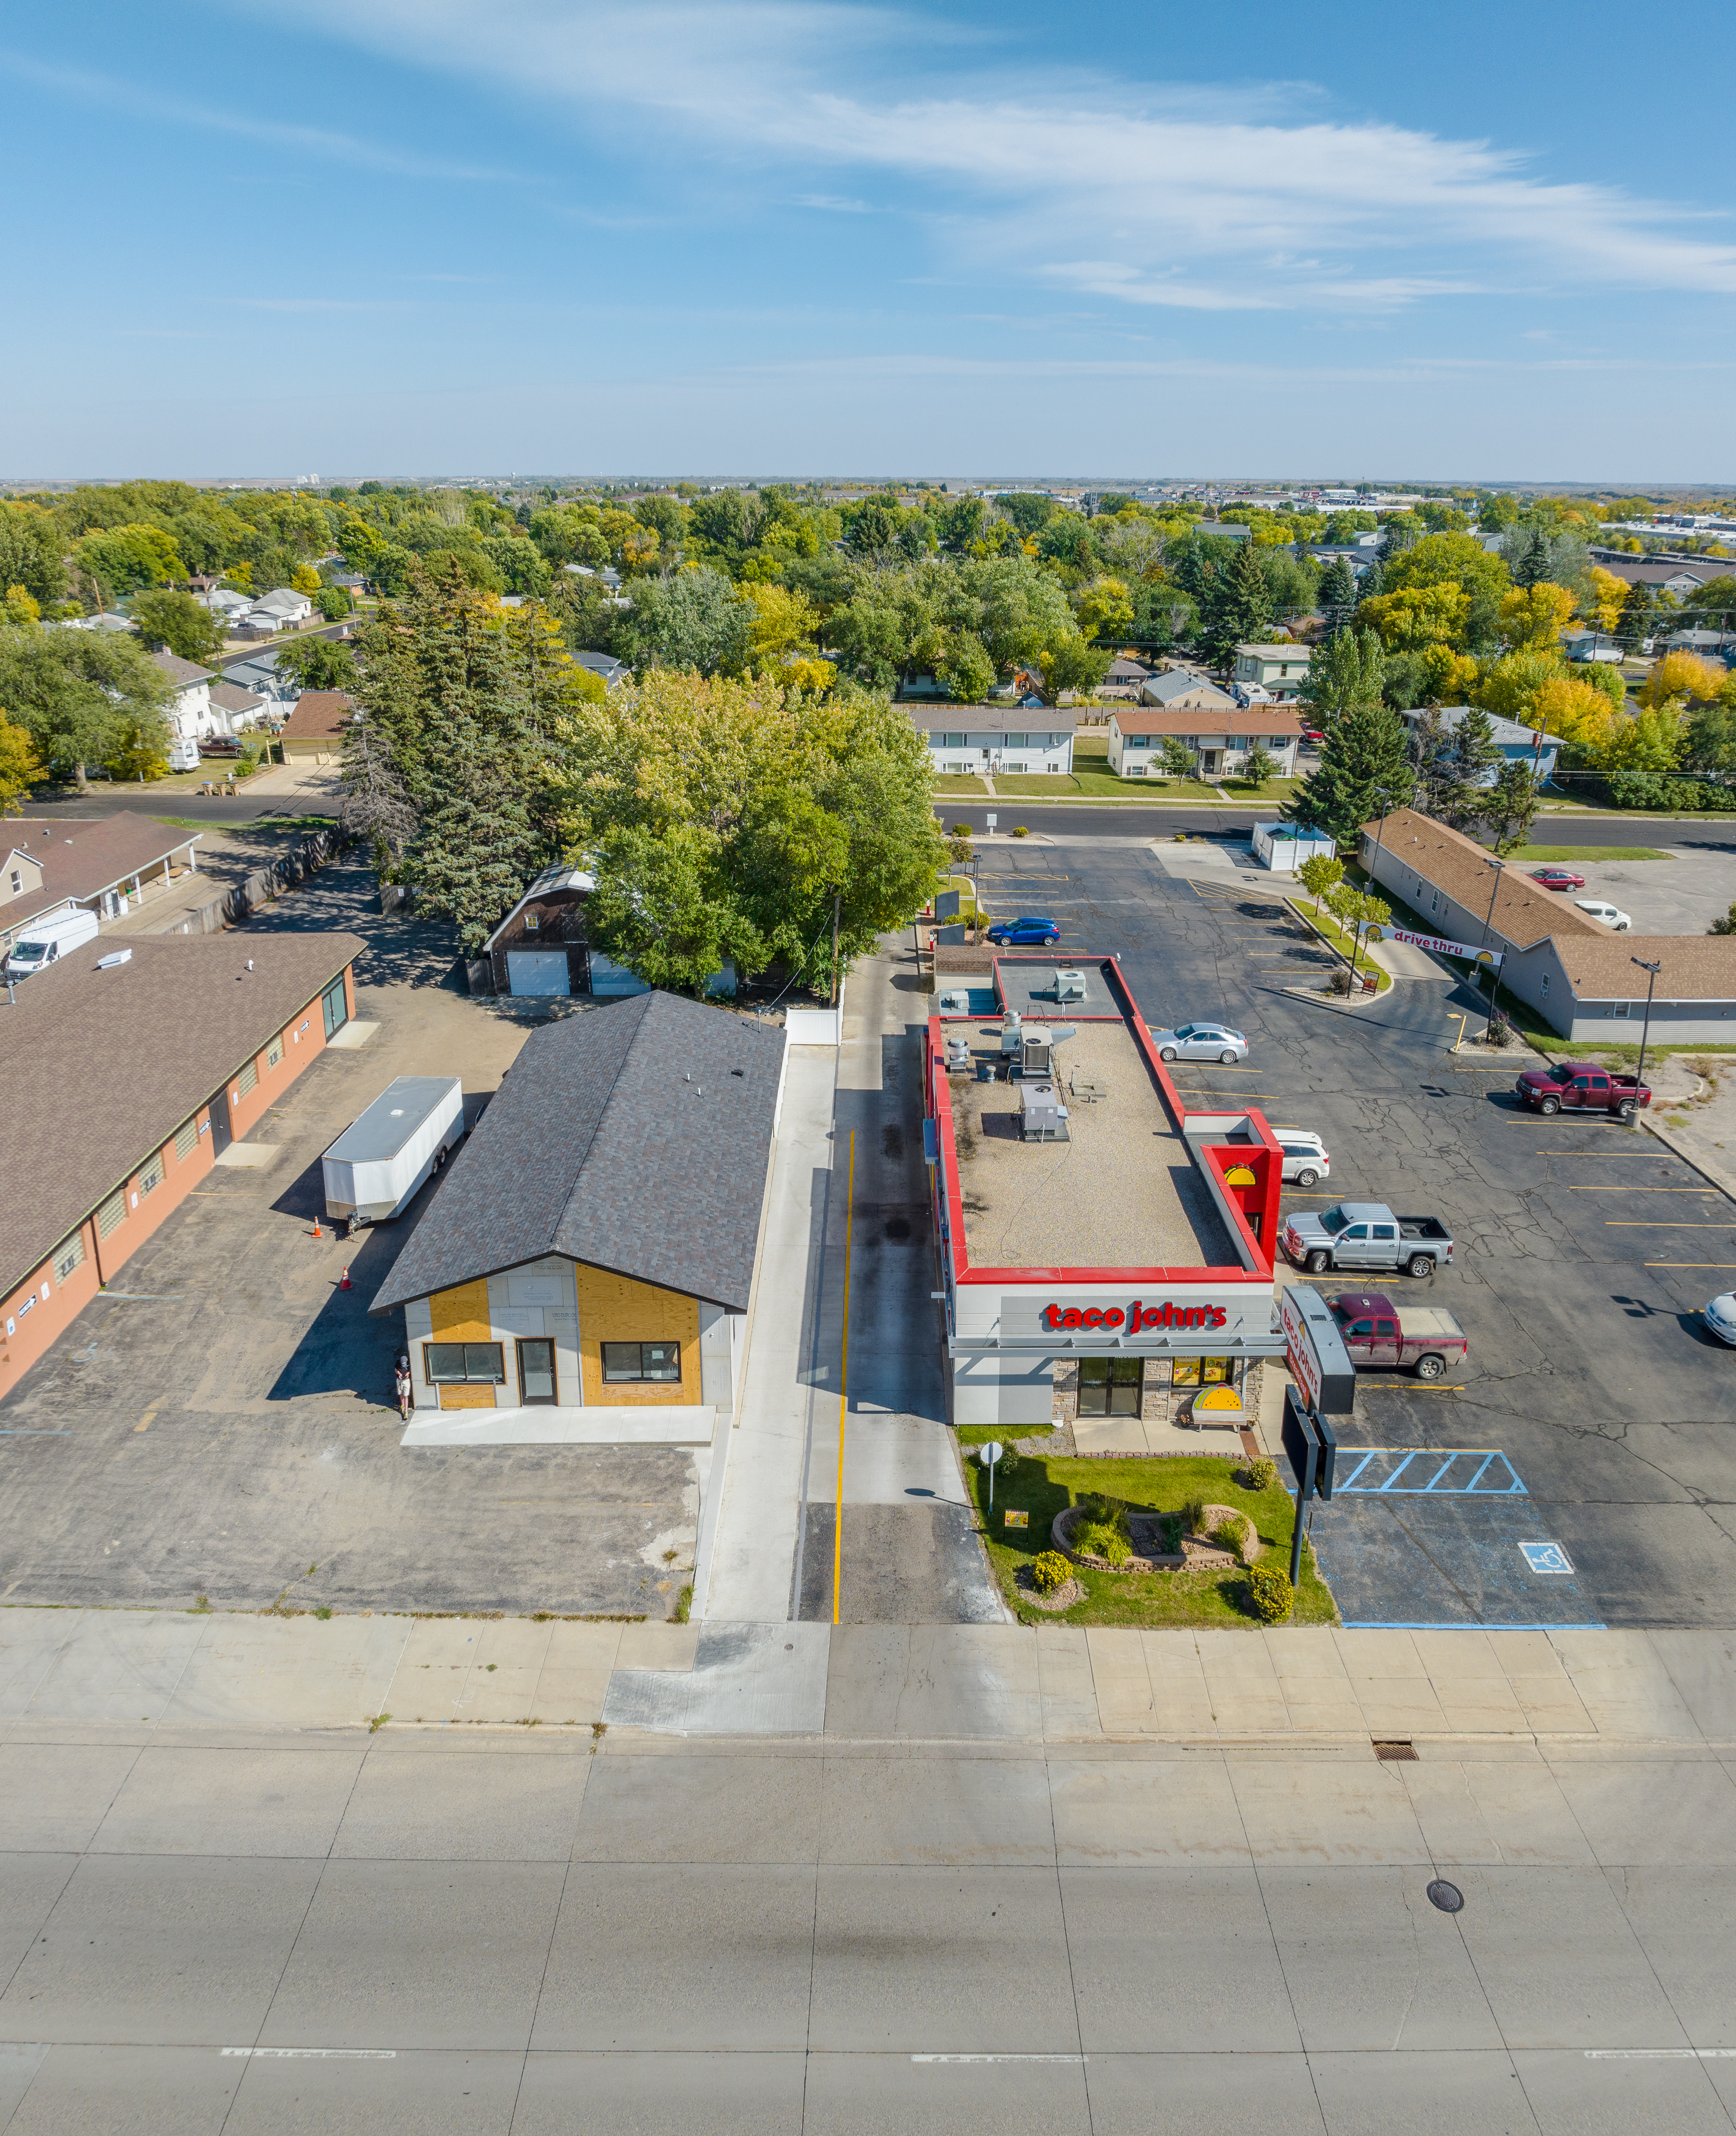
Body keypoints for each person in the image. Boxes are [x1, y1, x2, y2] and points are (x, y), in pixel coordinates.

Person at [394, 1352, 412, 1421]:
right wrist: (399, 1374)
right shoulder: (398, 1362)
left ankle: (406, 1412)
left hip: (406, 1381)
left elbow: (411, 1369)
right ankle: (403, 1406)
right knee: (401, 1395)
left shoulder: (409, 1361)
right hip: (400, 1380)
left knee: (406, 1396)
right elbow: (396, 1369)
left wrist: (408, 1373)